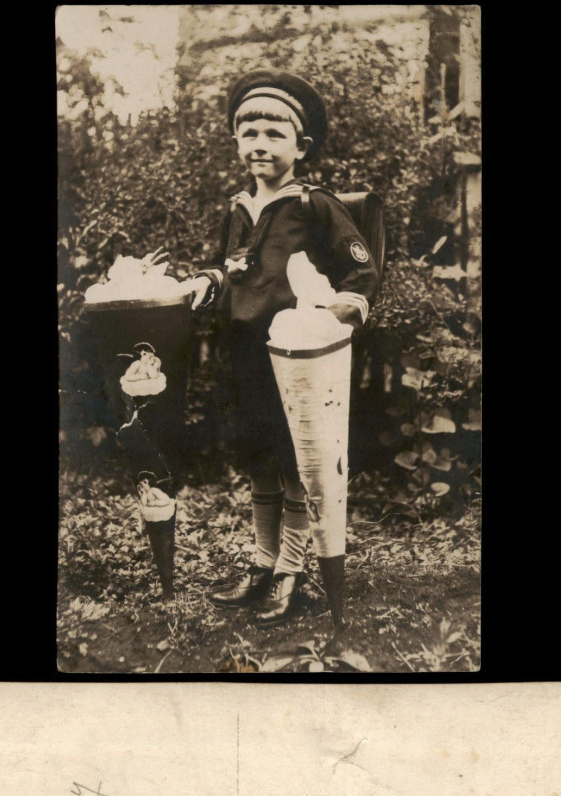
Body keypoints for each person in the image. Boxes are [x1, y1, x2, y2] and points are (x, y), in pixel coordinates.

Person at [188, 69, 378, 627]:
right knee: (256, 461)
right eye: (249, 133)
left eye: (274, 133)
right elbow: (235, 265)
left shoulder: (311, 204)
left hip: (294, 358)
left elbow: (360, 266)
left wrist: (343, 307)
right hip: (244, 351)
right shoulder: (239, 208)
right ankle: (261, 561)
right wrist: (209, 281)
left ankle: (290, 571)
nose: (260, 144)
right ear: (235, 142)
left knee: (296, 464)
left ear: (302, 146)